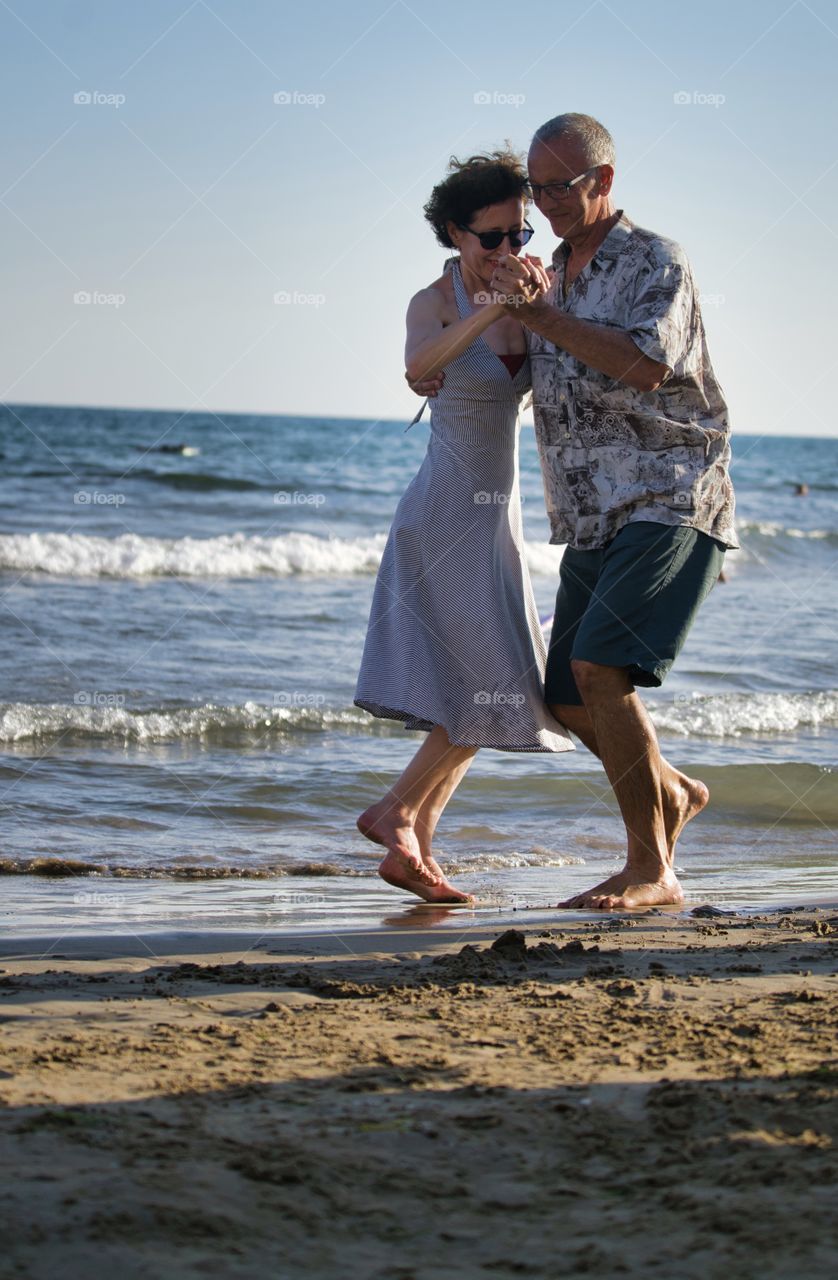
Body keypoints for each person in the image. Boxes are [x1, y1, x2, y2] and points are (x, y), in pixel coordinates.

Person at [485, 112, 738, 910]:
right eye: (537, 188)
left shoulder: (655, 260)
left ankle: (651, 869)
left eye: (561, 186)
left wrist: (540, 316)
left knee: (601, 670)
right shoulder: (548, 275)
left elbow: (644, 365)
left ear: (604, 180)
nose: (547, 202)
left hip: (670, 494)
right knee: (565, 696)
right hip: (590, 513)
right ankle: (673, 793)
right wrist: (445, 358)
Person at [354, 149, 574, 904]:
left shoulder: (537, 289)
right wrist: (493, 309)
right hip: (444, 512)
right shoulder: (435, 301)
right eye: (492, 237)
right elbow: (418, 365)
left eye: (519, 234)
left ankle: (413, 839)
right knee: (497, 681)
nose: (508, 249)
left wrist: (539, 308)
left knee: (493, 684)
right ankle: (394, 813)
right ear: (455, 233)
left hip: (500, 516)